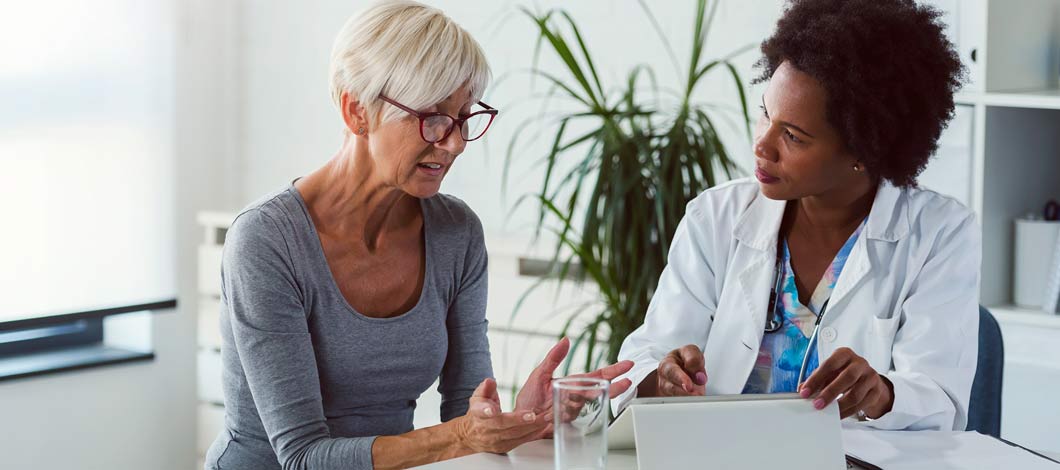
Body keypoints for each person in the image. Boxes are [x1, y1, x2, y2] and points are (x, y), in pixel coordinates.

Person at [203, 2, 632, 469]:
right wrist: (463, 434)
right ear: (357, 111)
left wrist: (516, 418)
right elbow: (303, 457)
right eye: (432, 117)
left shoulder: (456, 233)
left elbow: (466, 418)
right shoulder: (267, 241)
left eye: (463, 117)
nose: (453, 143)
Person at [614, 0, 977, 431]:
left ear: (863, 150)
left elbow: (940, 400)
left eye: (793, 136)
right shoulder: (715, 217)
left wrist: (882, 393)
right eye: (767, 113)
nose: (762, 146)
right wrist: (662, 377)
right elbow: (642, 358)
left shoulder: (939, 234)